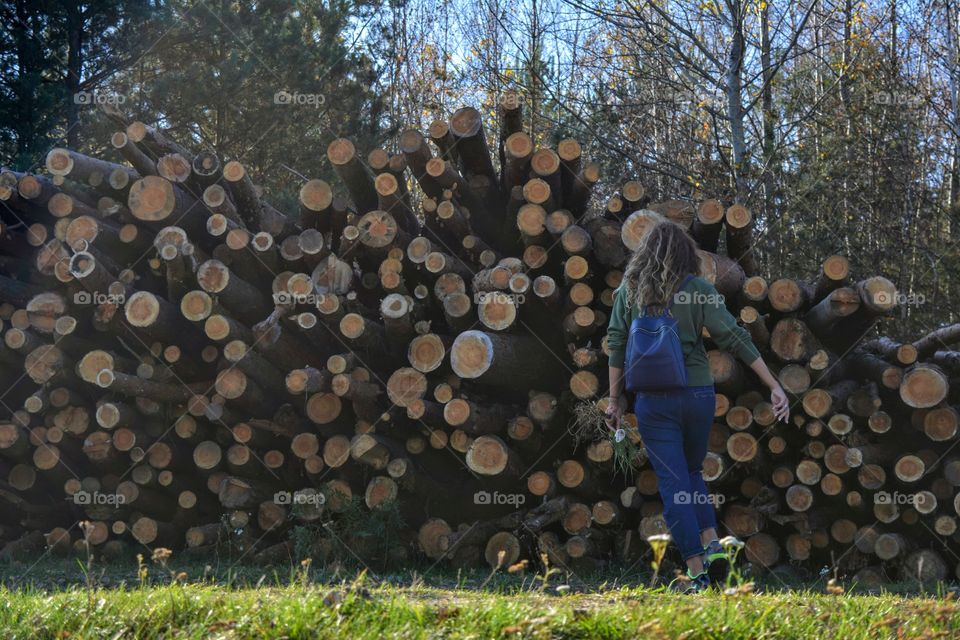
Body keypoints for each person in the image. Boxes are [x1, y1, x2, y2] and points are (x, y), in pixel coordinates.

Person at [605, 220, 789, 591]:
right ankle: (712, 547)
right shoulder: (699, 290)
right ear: (687, 254)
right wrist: (774, 385)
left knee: (675, 486)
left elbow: (616, 343)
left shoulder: (630, 291)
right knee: (691, 474)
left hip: (653, 401)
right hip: (698, 396)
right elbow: (734, 337)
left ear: (645, 255)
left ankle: (696, 571)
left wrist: (613, 398)